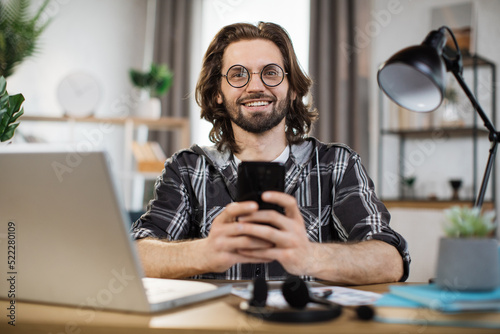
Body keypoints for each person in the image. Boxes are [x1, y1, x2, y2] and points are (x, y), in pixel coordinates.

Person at [131, 22, 410, 284]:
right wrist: (202, 253)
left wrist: (309, 256)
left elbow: (391, 261)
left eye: (271, 72)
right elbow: (134, 256)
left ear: (292, 90)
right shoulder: (186, 169)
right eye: (238, 74)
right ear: (217, 92)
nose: (255, 86)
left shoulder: (337, 165)